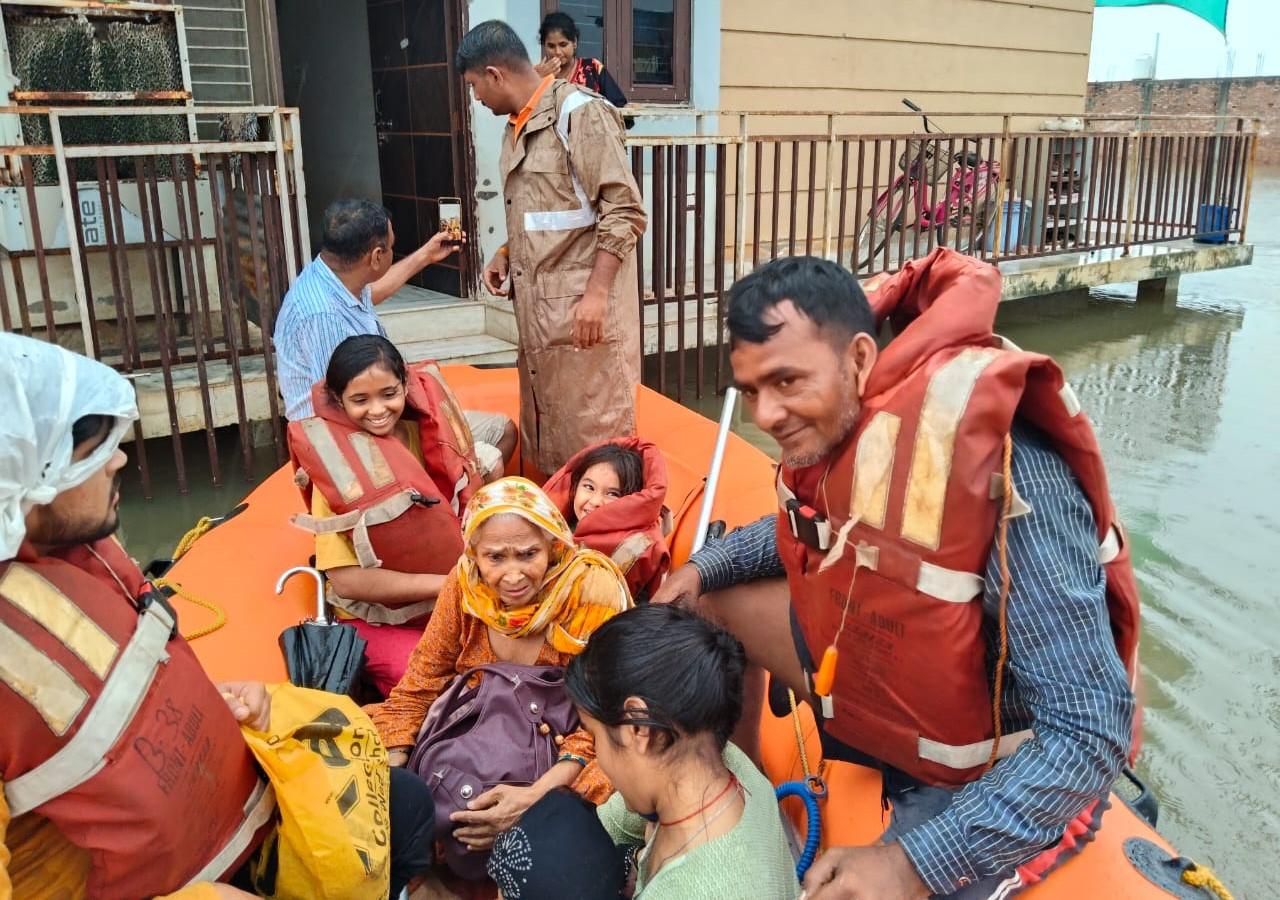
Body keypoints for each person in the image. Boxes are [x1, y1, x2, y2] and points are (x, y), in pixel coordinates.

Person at [652, 250, 1140, 899]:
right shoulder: (850, 428)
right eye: (750, 392)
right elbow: (795, 533)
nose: (765, 415)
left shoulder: (1010, 468)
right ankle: (758, 803)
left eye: (787, 382)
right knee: (713, 604)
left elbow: (1088, 728)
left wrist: (911, 864)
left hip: (982, 759)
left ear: (858, 359)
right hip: (884, 678)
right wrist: (701, 567)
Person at [0, 333, 434, 899]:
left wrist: (249, 704)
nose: (122, 459)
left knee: (406, 804)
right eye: (91, 452)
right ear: (20, 485)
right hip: (183, 884)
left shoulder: (79, 556)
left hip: (243, 828)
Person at [370, 476, 633, 849]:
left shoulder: (591, 594)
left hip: (565, 755)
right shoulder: (464, 585)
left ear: (553, 545)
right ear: (474, 555)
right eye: (495, 557)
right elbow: (421, 682)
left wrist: (534, 799)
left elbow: (603, 724)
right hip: (470, 740)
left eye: (528, 554)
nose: (513, 576)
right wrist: (396, 774)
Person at [458, 20, 647, 475]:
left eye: (474, 86)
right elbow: (550, 212)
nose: (476, 99)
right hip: (541, 324)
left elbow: (624, 211)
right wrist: (506, 253)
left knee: (597, 449)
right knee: (550, 441)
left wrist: (598, 295)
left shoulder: (580, 114)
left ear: (495, 73)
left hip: (585, 321)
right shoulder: (517, 127)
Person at [288, 334, 488, 696]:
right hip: (379, 618)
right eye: (360, 400)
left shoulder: (427, 437)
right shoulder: (335, 476)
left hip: (451, 599)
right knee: (449, 684)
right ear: (338, 401)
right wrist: (451, 585)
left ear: (406, 386)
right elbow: (346, 581)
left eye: (389, 394)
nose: (378, 410)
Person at [563, 603, 800, 899]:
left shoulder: (706, 890)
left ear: (639, 728)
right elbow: (607, 825)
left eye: (594, 735)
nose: (599, 756)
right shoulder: (718, 764)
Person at [273, 197, 516, 473]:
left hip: (371, 410)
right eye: (391, 247)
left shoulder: (333, 275)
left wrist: (426, 254)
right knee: (492, 456)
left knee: (503, 428)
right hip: (348, 438)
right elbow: (338, 406)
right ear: (376, 257)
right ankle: (448, 508)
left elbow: (373, 292)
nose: (392, 252)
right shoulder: (322, 316)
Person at [543, 439, 671, 602]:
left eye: (612, 494)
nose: (595, 501)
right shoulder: (558, 521)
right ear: (575, 486)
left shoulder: (637, 547)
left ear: (632, 502)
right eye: (588, 487)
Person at [534, 12, 628, 111]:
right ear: (544, 45)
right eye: (551, 46)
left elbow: (620, 107)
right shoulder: (536, 74)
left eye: (563, 45)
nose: (557, 52)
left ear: (574, 43)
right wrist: (538, 81)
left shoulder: (592, 69)